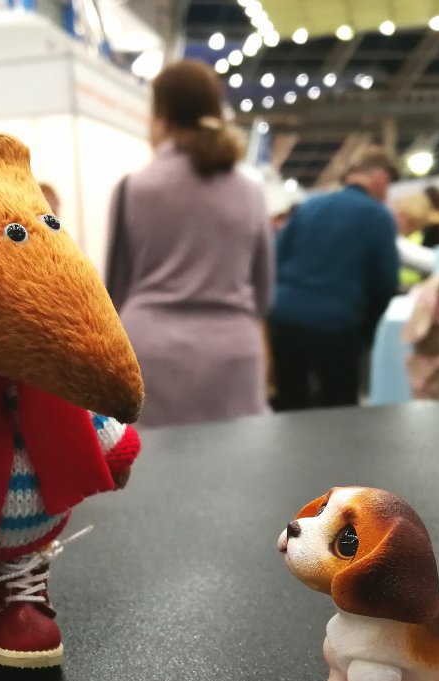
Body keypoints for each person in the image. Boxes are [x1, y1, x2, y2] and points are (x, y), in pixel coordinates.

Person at [105, 60, 273, 428]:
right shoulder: (251, 190)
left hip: (151, 352)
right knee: (239, 458)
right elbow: (263, 289)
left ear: (161, 115)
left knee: (157, 460)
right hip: (234, 351)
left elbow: (114, 290)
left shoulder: (134, 188)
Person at [269, 146, 400, 409]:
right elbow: (385, 283)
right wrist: (367, 332)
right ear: (380, 176)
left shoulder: (310, 205)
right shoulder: (378, 216)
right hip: (335, 325)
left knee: (289, 402)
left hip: (284, 319)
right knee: (338, 410)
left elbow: (276, 256)